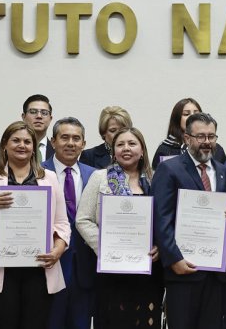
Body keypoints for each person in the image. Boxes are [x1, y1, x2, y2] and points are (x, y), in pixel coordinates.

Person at [0, 121, 71, 329]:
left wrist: (58, 250)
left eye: (27, 142)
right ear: (5, 144)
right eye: (16, 140)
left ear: (33, 147)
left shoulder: (48, 178)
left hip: (39, 268)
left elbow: (62, 223)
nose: (22, 145)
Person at [153, 112, 226, 329]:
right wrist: (174, 260)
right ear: (187, 138)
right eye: (201, 136)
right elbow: (161, 218)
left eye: (211, 136)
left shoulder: (223, 172)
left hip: (214, 273)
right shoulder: (169, 169)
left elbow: (225, 214)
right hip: (183, 270)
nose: (207, 142)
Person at [75, 127, 163, 329]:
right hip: (112, 269)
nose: (126, 148)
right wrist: (105, 247)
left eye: (132, 144)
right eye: (120, 144)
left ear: (142, 150)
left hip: (148, 270)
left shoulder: (155, 179)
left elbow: (164, 220)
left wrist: (160, 245)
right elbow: (83, 219)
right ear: (113, 151)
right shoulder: (100, 177)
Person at [41, 117, 97, 329]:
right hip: (49, 265)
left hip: (85, 266)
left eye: (76, 138)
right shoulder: (37, 172)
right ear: (53, 141)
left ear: (83, 144)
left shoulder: (95, 175)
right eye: (64, 137)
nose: (71, 143)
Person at [155, 97, 226, 168]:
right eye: (186, 114)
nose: (192, 117)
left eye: (196, 113)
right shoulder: (165, 149)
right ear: (177, 119)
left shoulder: (215, 149)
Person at [21, 94, 54, 163]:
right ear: (23, 117)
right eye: (33, 112)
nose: (39, 116)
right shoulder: (12, 149)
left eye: (44, 113)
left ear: (50, 119)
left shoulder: (58, 150)